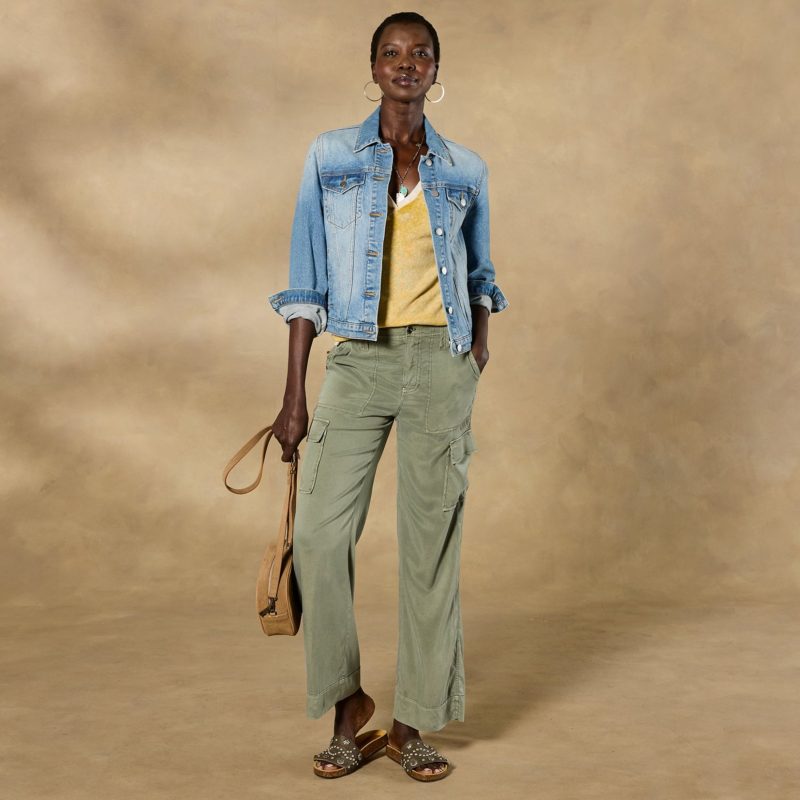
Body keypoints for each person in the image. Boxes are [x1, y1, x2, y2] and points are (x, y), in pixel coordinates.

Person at [268, 11, 509, 781]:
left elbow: (481, 275)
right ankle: (348, 705)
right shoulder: (331, 156)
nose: (407, 63)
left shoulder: (466, 168)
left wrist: (475, 349)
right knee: (319, 536)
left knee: (429, 546)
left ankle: (413, 722)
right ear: (373, 67)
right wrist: (294, 396)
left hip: (440, 364)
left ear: (437, 70)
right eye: (392, 52)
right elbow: (305, 280)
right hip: (357, 363)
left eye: (421, 53)